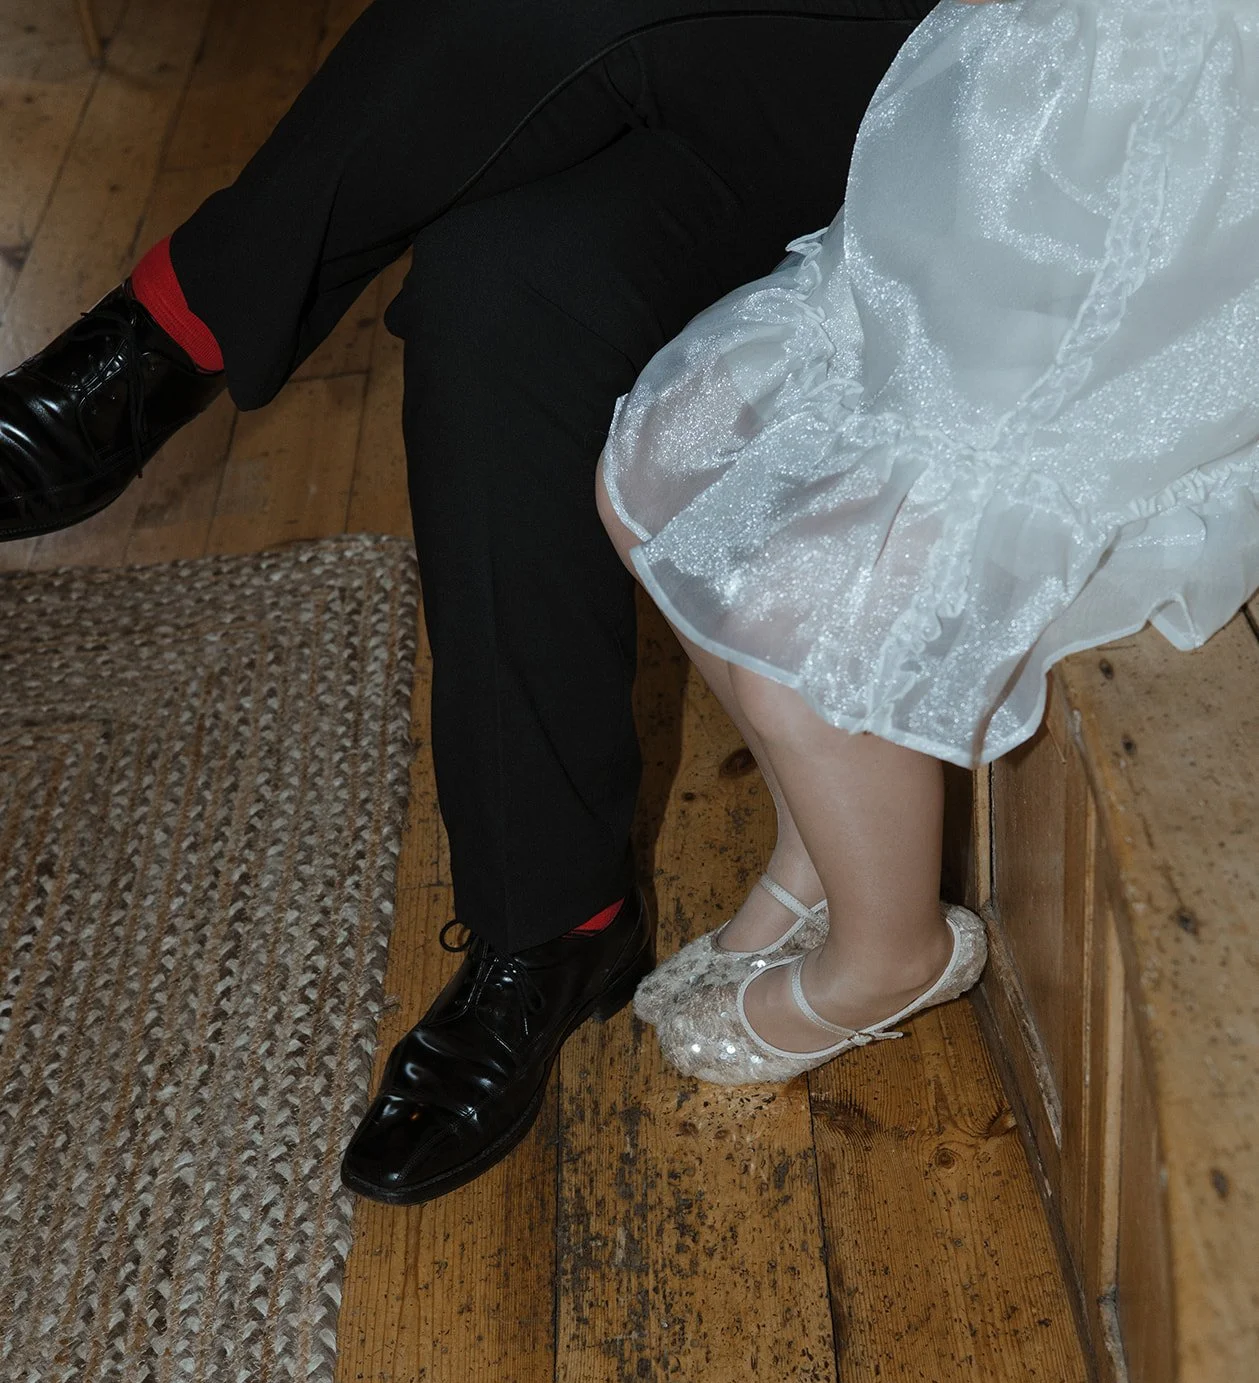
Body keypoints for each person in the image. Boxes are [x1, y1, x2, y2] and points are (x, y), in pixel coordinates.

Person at [0, 0, 934, 1202]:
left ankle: (152, 349)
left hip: (998, 84)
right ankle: (557, 922)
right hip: (780, 63)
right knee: (498, 288)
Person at [600, 0, 1259, 1082]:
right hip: (1025, 110)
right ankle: (817, 844)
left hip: (1181, 184)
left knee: (798, 649)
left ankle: (887, 953)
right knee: (652, 474)